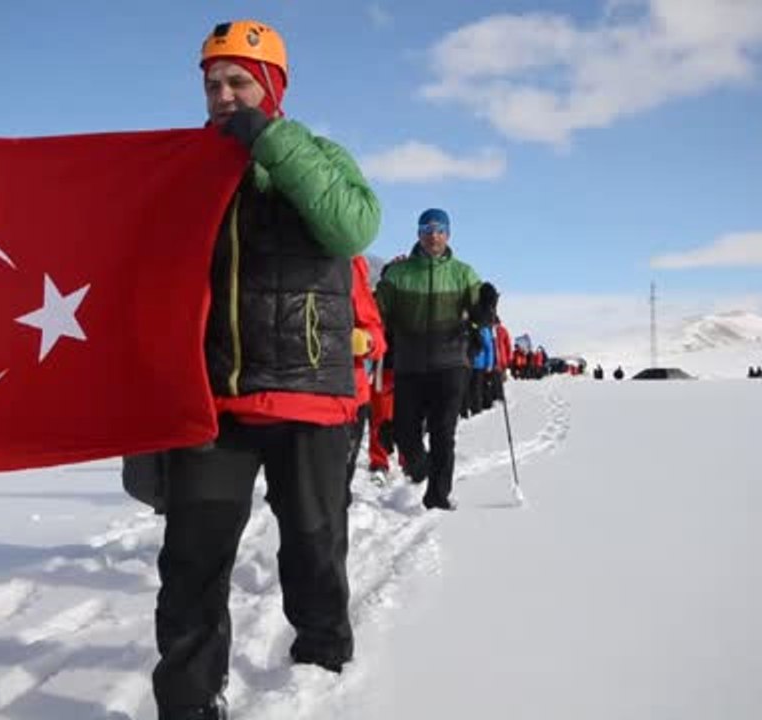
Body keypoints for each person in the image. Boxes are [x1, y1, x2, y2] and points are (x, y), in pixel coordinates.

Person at [152, 20, 380, 720]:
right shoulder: (188, 166)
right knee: (190, 563)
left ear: (272, 87)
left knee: (313, 549)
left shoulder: (315, 153)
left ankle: (321, 661)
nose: (223, 96)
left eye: (238, 83)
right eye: (212, 83)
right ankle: (188, 705)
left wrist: (269, 140)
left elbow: (351, 228)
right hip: (212, 400)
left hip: (308, 395)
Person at [375, 208, 482, 511]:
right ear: (418, 233)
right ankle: (419, 467)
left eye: (439, 229)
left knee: (443, 432)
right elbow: (377, 311)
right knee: (407, 431)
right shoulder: (399, 273)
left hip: (451, 365)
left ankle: (438, 496)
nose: (433, 235)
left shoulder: (464, 273)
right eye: (427, 229)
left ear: (448, 234)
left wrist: (485, 308)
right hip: (410, 365)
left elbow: (479, 313)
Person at [344, 255, 385, 502]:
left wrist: (365, 341)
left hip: (347, 396)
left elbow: (376, 335)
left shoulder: (349, 264)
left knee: (334, 494)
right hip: (271, 401)